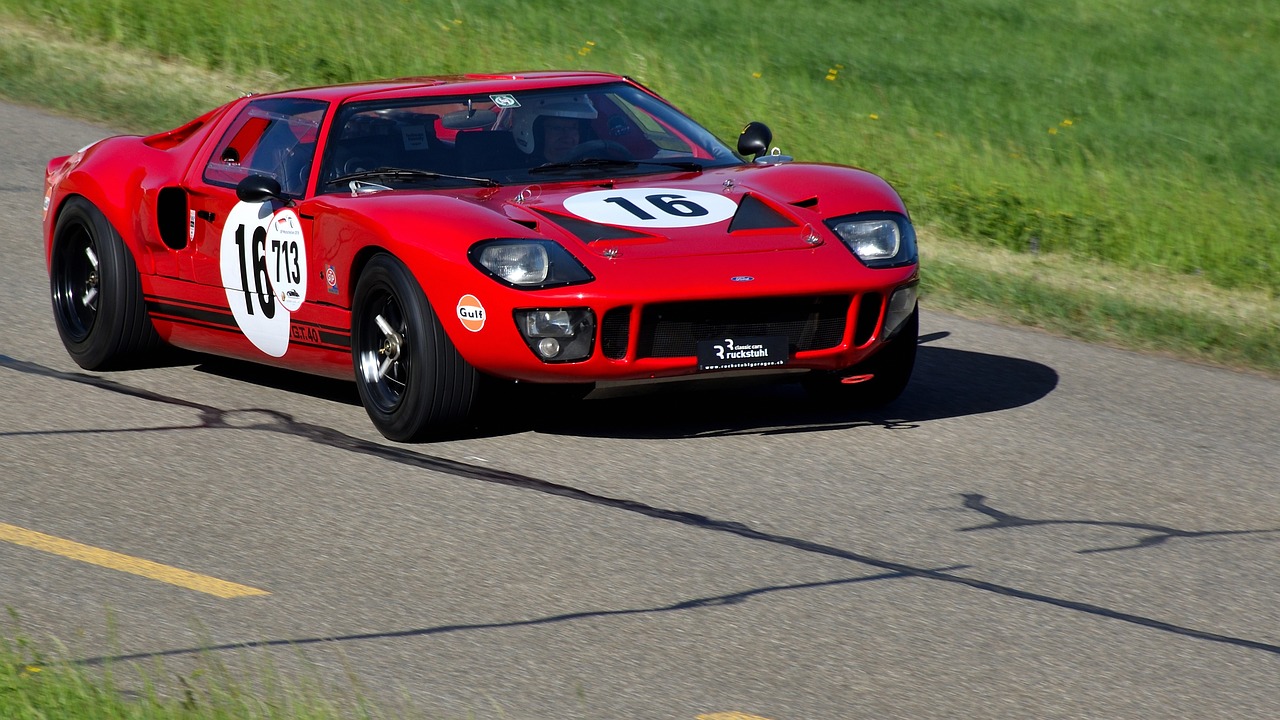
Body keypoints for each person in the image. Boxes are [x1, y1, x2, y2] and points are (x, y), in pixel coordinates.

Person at [512, 95, 598, 164]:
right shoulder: (510, 174)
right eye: (557, 128)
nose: (567, 139)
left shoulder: (597, 167)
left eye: (573, 128)